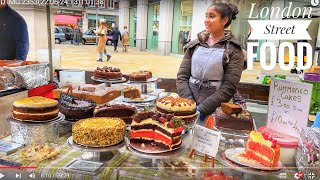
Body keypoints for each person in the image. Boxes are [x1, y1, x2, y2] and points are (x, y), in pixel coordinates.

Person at [176, 3, 245, 119]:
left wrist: (202, 109)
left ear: (224, 21)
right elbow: (182, 76)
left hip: (215, 110)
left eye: (212, 16)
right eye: (206, 16)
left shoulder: (233, 49)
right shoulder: (195, 44)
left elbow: (229, 86)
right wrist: (189, 104)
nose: (206, 20)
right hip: (187, 107)